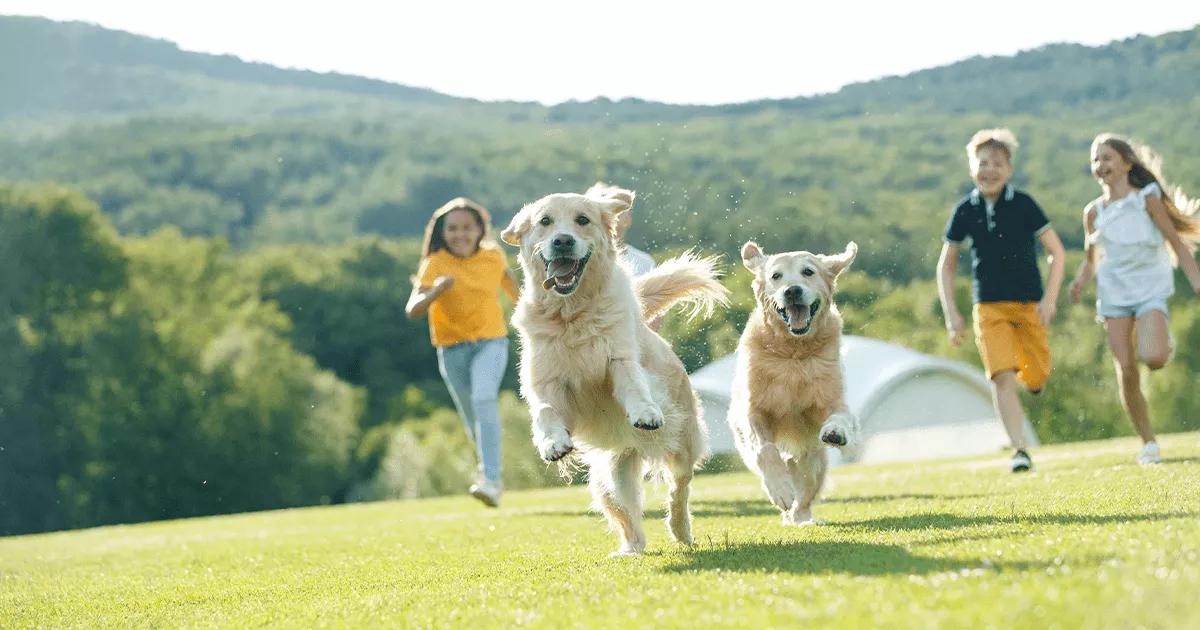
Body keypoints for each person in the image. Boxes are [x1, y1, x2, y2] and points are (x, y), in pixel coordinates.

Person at [937, 128, 1066, 473]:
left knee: (1036, 374)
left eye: (996, 163)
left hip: (1029, 305)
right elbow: (947, 265)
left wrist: (1050, 300)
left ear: (1009, 169)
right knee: (1001, 377)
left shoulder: (1024, 204)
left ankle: (1034, 381)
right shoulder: (965, 210)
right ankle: (1020, 450)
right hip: (988, 307)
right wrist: (952, 314)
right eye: (982, 163)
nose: (989, 170)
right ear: (971, 168)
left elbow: (1056, 252)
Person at [1068, 134, 1200, 465]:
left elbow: (1176, 243)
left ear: (1127, 163)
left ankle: (1160, 337)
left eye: (1107, 158)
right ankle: (1149, 443)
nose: (1101, 165)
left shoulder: (1148, 199)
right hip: (1114, 294)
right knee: (1126, 368)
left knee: (1153, 358)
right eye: (1096, 160)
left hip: (1149, 289)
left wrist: (1196, 280)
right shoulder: (1093, 213)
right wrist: (1081, 280)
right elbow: (1092, 257)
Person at [405, 197, 519, 506]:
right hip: (451, 351)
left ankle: (491, 482)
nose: (460, 234)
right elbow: (412, 310)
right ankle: (489, 473)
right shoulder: (435, 262)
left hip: (491, 342)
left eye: (467, 228)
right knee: (473, 421)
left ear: (480, 229)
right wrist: (437, 290)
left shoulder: (494, 257)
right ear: (443, 232)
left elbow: (518, 296)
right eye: (453, 229)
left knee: (484, 399)